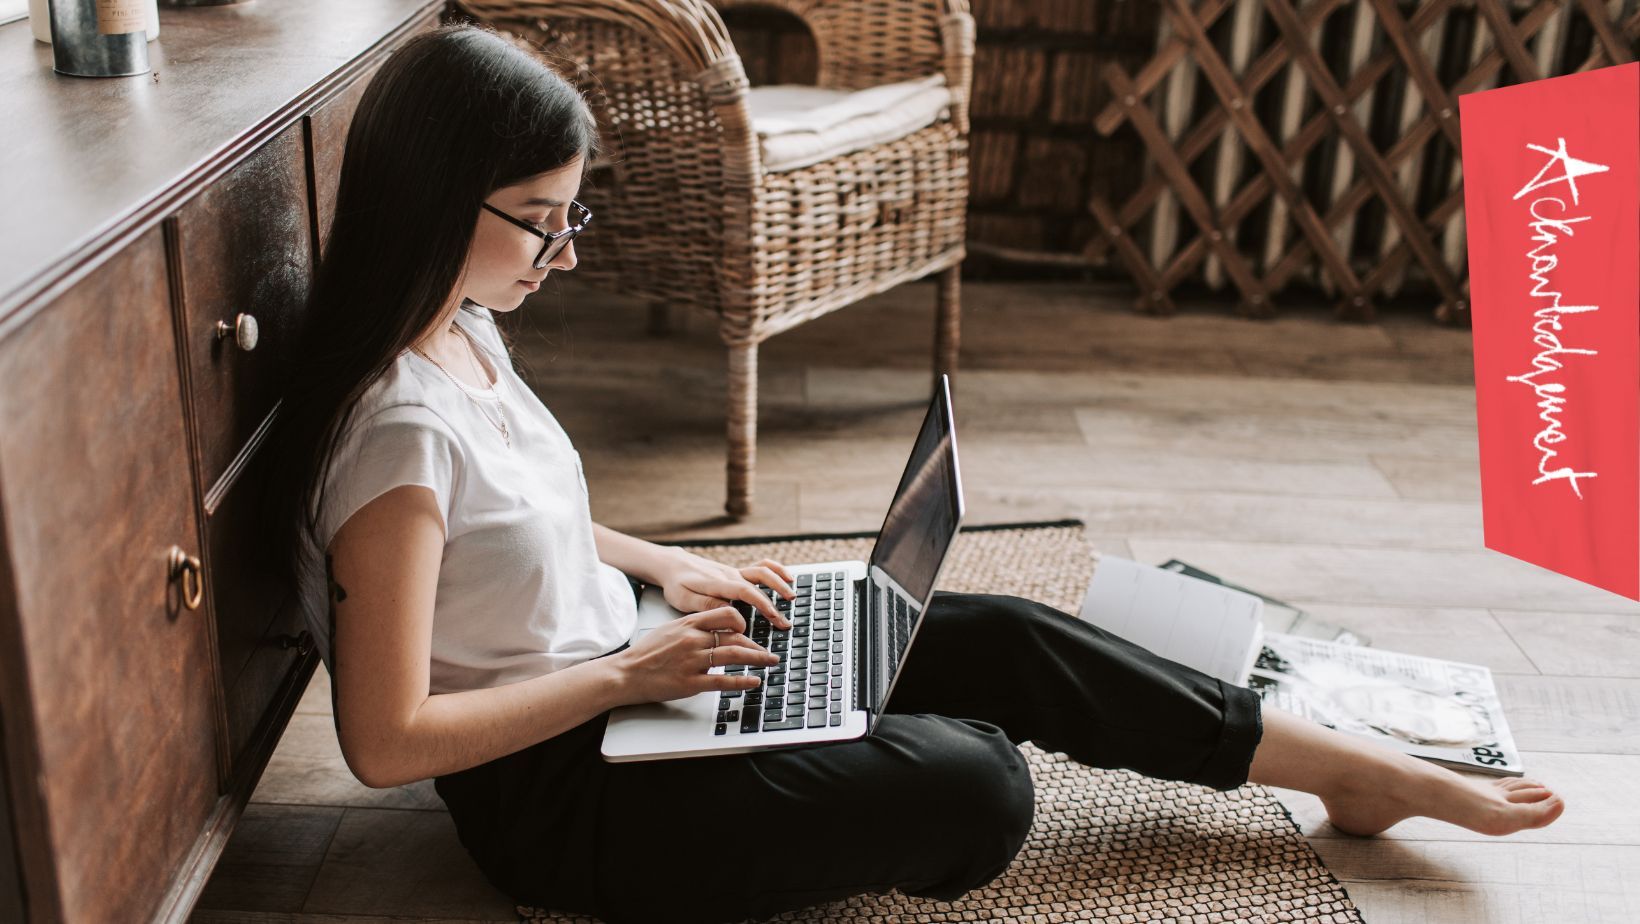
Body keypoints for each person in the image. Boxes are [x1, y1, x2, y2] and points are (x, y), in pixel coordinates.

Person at [257, 23, 1566, 924]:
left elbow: (529, 520)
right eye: (541, 223)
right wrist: (632, 674)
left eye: (569, 217)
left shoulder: (467, 331)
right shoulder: (397, 439)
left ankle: (1339, 766)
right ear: (440, 203)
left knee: (1003, 632)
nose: (568, 254)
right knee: (980, 784)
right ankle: (838, 741)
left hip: (630, 678)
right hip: (562, 797)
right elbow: (383, 744)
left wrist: (671, 572)